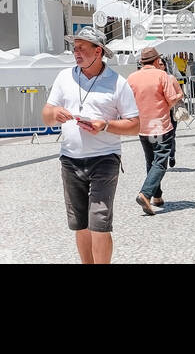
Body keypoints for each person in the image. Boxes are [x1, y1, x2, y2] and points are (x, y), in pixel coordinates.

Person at [41, 27, 139, 265]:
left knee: (100, 224)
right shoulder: (64, 77)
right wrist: (55, 113)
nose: (76, 53)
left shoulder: (118, 83)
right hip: (70, 159)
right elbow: (46, 114)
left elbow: (135, 125)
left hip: (104, 159)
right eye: (74, 48)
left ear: (98, 51)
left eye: (82, 48)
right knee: (80, 225)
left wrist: (104, 125)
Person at [128, 46, 183, 214]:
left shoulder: (132, 77)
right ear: (157, 60)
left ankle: (156, 196)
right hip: (160, 125)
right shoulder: (162, 75)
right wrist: (179, 96)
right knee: (160, 161)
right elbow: (172, 99)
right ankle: (145, 194)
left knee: (151, 161)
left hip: (142, 126)